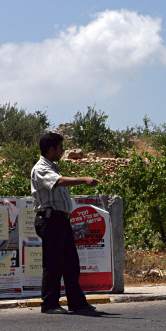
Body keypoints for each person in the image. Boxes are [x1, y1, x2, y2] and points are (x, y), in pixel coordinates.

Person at [31, 132, 100, 314]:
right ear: (51, 149)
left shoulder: (52, 167)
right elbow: (59, 182)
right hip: (50, 219)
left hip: (60, 220)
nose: (62, 151)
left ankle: (77, 303)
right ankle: (49, 304)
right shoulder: (40, 168)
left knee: (70, 262)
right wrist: (84, 180)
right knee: (53, 263)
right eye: (60, 148)